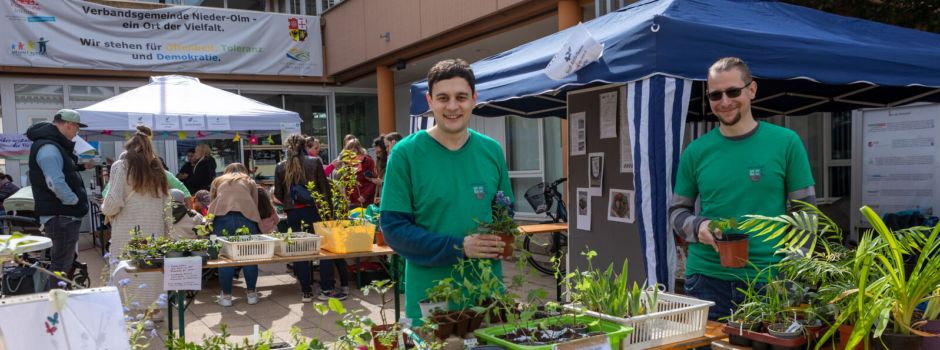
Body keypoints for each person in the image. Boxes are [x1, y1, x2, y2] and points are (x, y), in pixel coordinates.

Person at [669, 57, 816, 321]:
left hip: (769, 279)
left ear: (752, 90)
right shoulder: (696, 151)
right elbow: (677, 211)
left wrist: (792, 274)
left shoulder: (786, 143)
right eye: (715, 95)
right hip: (706, 280)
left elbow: (806, 214)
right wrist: (699, 226)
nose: (724, 102)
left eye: (733, 91)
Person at [380, 59, 513, 322]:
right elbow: (394, 230)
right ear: (429, 101)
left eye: (461, 97)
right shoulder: (405, 154)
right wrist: (460, 247)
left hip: (487, 295)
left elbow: (504, 213)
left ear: (474, 99)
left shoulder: (492, 151)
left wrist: (501, 240)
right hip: (432, 299)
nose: (452, 106)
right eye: (443, 98)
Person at [101, 125, 170, 315]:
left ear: (129, 147)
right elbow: (167, 203)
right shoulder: (157, 168)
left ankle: (132, 312)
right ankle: (154, 312)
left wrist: (105, 209)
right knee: (152, 270)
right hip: (155, 228)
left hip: (127, 229)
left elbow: (113, 202)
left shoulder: (121, 166)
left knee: (128, 269)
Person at [26, 109, 92, 290]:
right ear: (68, 125)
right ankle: (54, 308)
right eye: (76, 128)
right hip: (62, 216)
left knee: (62, 264)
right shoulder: (49, 147)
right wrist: (74, 201)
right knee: (61, 266)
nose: (76, 133)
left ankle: (55, 304)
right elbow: (54, 182)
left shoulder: (52, 145)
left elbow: (59, 173)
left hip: (61, 215)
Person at [274, 134, 336, 301]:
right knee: (323, 249)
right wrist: (328, 213)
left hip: (293, 212)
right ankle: (326, 289)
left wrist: (291, 201)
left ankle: (306, 291)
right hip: (314, 210)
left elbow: (278, 194)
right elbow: (325, 190)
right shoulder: (314, 162)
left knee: (300, 251)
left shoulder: (280, 167)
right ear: (304, 146)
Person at [209, 163, 262, 306]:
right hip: (246, 218)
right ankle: (251, 293)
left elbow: (212, 200)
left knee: (225, 258)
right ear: (244, 171)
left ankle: (226, 296)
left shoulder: (218, 180)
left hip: (221, 218)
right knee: (249, 256)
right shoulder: (249, 181)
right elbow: (254, 203)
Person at [343, 138, 377, 208]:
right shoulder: (347, 163)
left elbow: (374, 181)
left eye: (354, 150)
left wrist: (364, 196)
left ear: (358, 149)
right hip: (353, 202)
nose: (352, 154)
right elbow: (347, 183)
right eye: (349, 151)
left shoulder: (368, 161)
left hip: (367, 200)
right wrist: (348, 199)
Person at [371, 136, 388, 205]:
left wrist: (382, 183)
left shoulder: (390, 162)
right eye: (376, 153)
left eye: (379, 152)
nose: (378, 155)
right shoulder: (378, 162)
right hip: (381, 199)